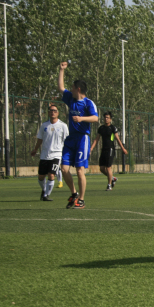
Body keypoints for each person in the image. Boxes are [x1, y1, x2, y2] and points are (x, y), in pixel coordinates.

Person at [57, 61, 99, 208]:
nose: (71, 90)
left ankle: (81, 199)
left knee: (80, 170)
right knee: (64, 169)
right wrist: (61, 70)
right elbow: (61, 88)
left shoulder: (88, 103)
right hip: (71, 139)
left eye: (73, 88)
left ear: (78, 89)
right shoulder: (71, 99)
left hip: (82, 138)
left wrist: (81, 119)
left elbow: (95, 118)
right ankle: (74, 193)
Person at [30, 104, 69, 201]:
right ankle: (44, 190)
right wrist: (35, 149)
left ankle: (46, 195)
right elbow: (40, 139)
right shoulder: (44, 125)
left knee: (51, 175)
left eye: (55, 111)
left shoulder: (63, 126)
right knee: (41, 177)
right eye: (51, 110)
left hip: (56, 154)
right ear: (48, 112)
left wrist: (67, 153)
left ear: (58, 113)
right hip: (44, 154)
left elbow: (67, 140)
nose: (53, 112)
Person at [90, 111, 127, 191]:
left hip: (110, 149)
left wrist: (123, 148)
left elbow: (117, 139)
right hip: (103, 149)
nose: (106, 119)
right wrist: (91, 148)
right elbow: (96, 139)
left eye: (107, 118)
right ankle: (113, 178)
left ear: (110, 119)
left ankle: (109, 185)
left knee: (108, 167)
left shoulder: (113, 128)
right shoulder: (101, 128)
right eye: (105, 117)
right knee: (102, 168)